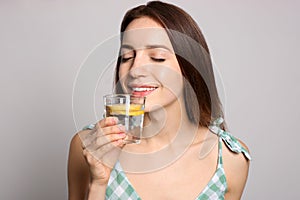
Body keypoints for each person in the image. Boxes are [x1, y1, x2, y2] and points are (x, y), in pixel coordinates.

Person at [68, 1, 251, 200]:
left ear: (190, 68)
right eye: (127, 57)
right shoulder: (88, 146)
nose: (136, 69)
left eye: (157, 58)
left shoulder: (231, 159)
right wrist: (98, 184)